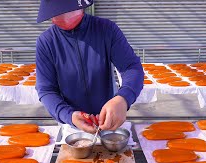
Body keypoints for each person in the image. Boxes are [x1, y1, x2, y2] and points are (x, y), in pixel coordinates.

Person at [35, 0, 144, 133]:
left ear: (81, 7)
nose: (65, 17)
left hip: (108, 119)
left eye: (69, 11)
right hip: (71, 125)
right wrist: (68, 115)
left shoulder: (106, 30)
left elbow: (131, 67)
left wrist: (123, 98)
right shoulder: (47, 42)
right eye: (58, 14)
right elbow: (46, 90)